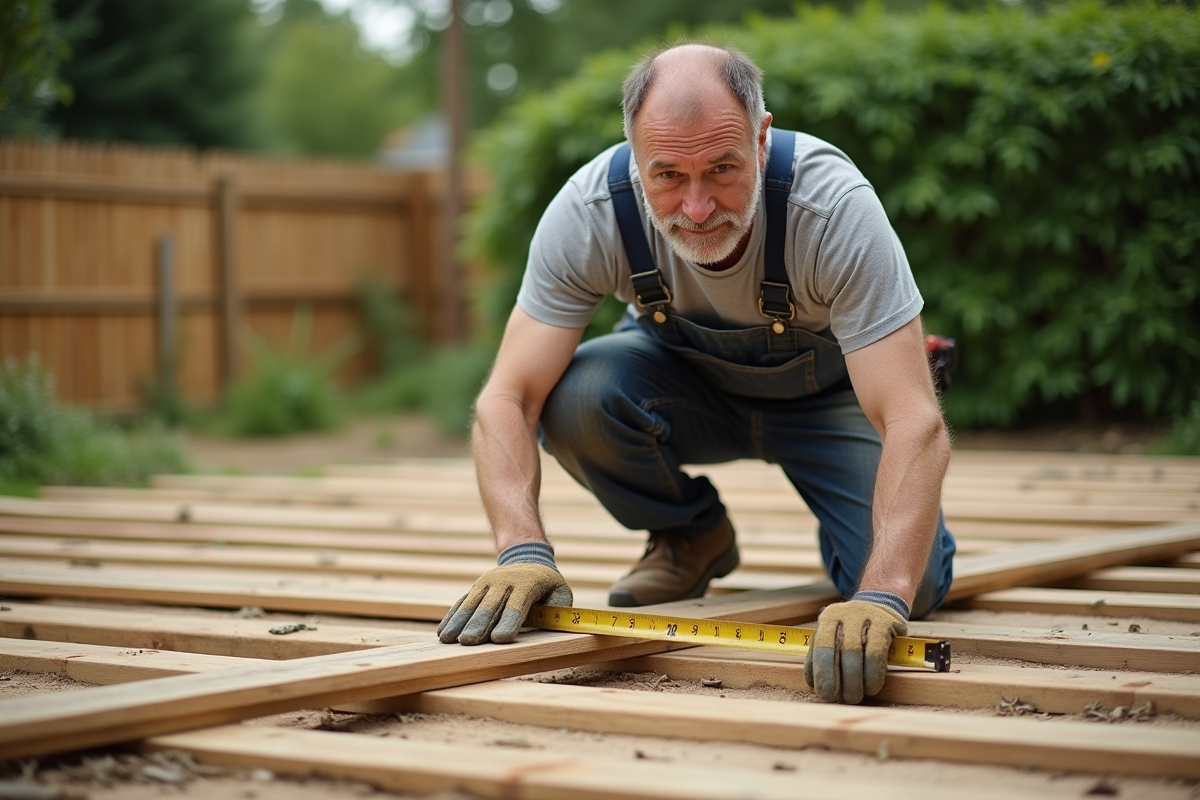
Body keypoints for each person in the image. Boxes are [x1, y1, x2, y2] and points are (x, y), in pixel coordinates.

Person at [437, 42, 957, 705]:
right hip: (686, 388)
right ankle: (692, 534)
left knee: (921, 585)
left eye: (722, 168)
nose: (698, 206)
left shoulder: (830, 210)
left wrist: (881, 592)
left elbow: (915, 418)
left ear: (762, 138)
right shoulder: (592, 210)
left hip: (829, 400)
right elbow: (507, 397)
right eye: (668, 176)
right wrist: (522, 551)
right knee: (582, 393)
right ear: (631, 153)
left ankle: (907, 385)